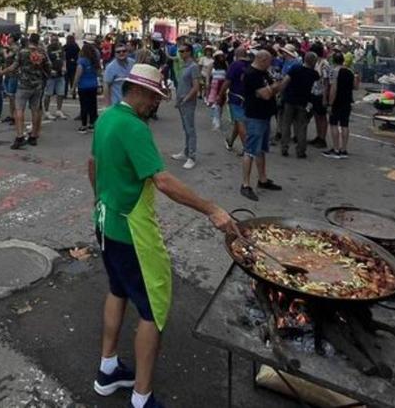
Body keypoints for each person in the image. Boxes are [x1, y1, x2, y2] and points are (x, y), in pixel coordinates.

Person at [90, 63, 236, 408]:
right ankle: (142, 397)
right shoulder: (133, 127)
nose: (156, 104)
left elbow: (93, 165)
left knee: (117, 290)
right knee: (152, 311)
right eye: (154, 97)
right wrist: (212, 209)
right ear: (138, 92)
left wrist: (100, 199)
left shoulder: (106, 117)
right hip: (132, 233)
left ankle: (107, 368)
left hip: (105, 221)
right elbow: (164, 181)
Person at [240, 50, 287, 201]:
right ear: (262, 60)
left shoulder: (263, 73)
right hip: (255, 116)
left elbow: (273, 90)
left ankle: (263, 179)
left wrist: (276, 86)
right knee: (251, 150)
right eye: (269, 61)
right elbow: (266, 94)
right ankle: (245, 184)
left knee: (260, 150)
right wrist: (274, 87)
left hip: (264, 115)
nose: (271, 65)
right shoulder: (252, 74)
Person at [7, 32, 50, 150]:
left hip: (23, 85)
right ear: (38, 41)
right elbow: (48, 67)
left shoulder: (22, 52)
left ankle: (20, 136)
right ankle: (34, 136)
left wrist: (3, 71)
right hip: (37, 85)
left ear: (29, 40)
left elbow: (14, 66)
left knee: (19, 110)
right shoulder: (42, 53)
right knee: (35, 110)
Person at [279, 52, 319, 159]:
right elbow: (316, 90)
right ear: (314, 62)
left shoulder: (295, 68)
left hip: (290, 99)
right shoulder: (314, 74)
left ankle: (284, 147)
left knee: (286, 124)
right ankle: (301, 150)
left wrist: (280, 93)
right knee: (302, 126)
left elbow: (285, 81)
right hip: (303, 102)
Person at [170, 43, 200, 170]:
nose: (180, 53)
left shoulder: (193, 67)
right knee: (186, 128)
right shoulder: (183, 66)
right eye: (179, 51)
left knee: (190, 129)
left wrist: (186, 98)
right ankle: (186, 151)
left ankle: (192, 156)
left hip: (188, 102)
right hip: (182, 101)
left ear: (189, 52)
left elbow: (196, 86)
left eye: (182, 51)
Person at [324, 51, 355, 159]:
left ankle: (336, 148)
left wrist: (330, 103)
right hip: (347, 100)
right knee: (345, 125)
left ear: (333, 60)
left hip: (337, 101)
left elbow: (333, 88)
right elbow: (355, 86)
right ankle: (344, 149)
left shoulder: (334, 71)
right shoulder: (350, 71)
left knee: (333, 124)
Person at [222, 46, 251, 154]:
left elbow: (227, 81)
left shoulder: (235, 65)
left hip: (236, 97)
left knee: (240, 122)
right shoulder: (251, 64)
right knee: (238, 121)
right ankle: (230, 141)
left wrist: (220, 95)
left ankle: (246, 148)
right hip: (249, 97)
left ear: (236, 55)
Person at [75, 40, 102, 132]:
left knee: (84, 105)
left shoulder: (82, 61)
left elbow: (78, 74)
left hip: (83, 86)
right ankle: (92, 124)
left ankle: (83, 125)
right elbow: (99, 73)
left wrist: (73, 86)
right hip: (93, 85)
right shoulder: (95, 61)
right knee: (93, 105)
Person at [43, 34, 68, 120]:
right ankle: (46, 111)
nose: (54, 42)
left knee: (60, 93)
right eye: (53, 40)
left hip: (60, 74)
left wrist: (64, 67)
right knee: (48, 94)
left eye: (56, 40)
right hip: (51, 75)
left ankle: (58, 110)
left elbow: (64, 59)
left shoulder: (60, 48)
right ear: (50, 40)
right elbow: (46, 61)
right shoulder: (47, 49)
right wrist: (50, 70)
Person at [205, 52, 227, 131]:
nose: (221, 57)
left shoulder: (225, 65)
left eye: (222, 56)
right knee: (213, 102)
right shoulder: (212, 65)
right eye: (220, 56)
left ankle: (218, 118)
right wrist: (207, 83)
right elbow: (208, 74)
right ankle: (215, 119)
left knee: (220, 103)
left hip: (222, 85)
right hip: (214, 84)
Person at [64, 33, 81, 99]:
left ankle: (65, 94)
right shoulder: (76, 46)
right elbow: (79, 54)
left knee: (66, 80)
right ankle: (73, 93)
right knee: (73, 80)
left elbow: (63, 55)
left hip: (67, 64)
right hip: (74, 65)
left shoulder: (65, 46)